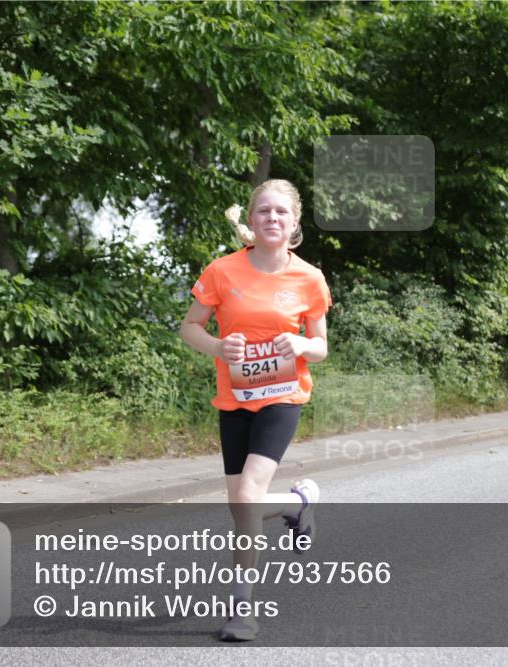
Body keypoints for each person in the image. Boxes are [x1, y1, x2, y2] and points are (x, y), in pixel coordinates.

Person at [179, 179, 332, 640]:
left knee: (247, 496)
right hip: (235, 400)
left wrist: (301, 344)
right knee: (241, 507)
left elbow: (320, 346)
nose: (272, 218)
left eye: (281, 212)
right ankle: (299, 503)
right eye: (264, 211)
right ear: (251, 219)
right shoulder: (222, 271)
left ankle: (241, 610)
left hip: (283, 397)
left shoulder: (309, 277)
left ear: (295, 222)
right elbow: (189, 327)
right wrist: (218, 347)